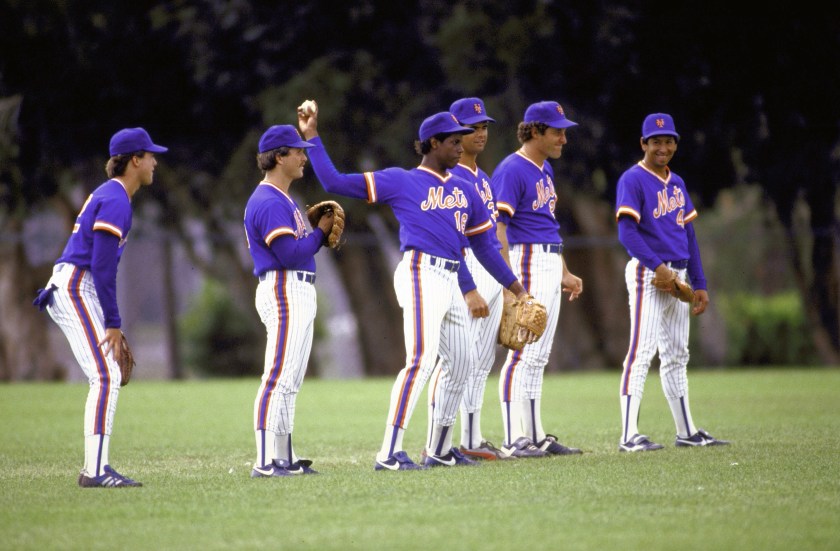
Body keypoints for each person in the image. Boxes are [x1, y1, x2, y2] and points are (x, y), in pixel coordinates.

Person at [297, 101, 539, 470]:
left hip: (452, 277)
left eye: (463, 141)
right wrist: (312, 137)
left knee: (463, 362)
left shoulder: (466, 189)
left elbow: (484, 247)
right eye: (454, 142)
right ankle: (388, 453)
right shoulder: (401, 180)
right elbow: (334, 181)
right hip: (419, 272)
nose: (462, 147)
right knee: (421, 360)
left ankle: (439, 450)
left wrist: (518, 290)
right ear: (432, 143)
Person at [32, 127, 168, 487]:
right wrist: (113, 321)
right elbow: (104, 267)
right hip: (76, 287)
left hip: (79, 286)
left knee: (105, 375)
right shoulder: (116, 199)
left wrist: (111, 320)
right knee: (106, 376)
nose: (155, 161)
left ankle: (98, 468)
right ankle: (95, 471)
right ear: (135, 160)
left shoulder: (113, 195)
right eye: (150, 155)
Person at [614, 113, 729, 452]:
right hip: (649, 274)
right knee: (641, 352)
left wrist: (700, 282)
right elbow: (626, 232)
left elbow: (688, 235)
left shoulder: (676, 183)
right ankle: (628, 435)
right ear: (644, 144)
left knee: (678, 354)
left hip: (679, 275)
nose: (662, 147)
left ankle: (686, 431)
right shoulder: (632, 179)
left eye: (668, 141)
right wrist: (657, 266)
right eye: (656, 141)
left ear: (675, 145)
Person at [244, 124, 337, 477]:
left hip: (296, 288)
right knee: (277, 377)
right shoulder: (267, 200)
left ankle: (284, 456)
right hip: (284, 287)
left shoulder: (283, 198)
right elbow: (290, 254)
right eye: (296, 151)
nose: (303, 156)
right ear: (278, 156)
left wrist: (315, 235)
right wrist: (320, 234)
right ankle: (266, 462)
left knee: (291, 378)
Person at [492, 101, 584, 457]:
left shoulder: (544, 170)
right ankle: (514, 439)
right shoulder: (513, 169)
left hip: (547, 258)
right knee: (522, 352)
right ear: (534, 131)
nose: (563, 138)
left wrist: (564, 272)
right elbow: (499, 228)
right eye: (557, 131)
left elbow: (548, 226)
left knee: (539, 355)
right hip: (525, 259)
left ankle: (535, 435)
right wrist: (507, 281)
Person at [425, 97, 508, 461]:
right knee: (455, 359)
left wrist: (509, 285)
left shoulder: (483, 179)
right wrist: (468, 287)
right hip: (464, 268)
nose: (480, 133)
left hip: (488, 267)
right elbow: (451, 240)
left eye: (484, 126)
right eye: (472, 128)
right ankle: (436, 442)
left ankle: (472, 437)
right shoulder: (450, 175)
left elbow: (492, 240)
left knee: (481, 359)